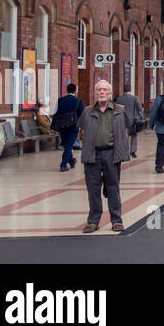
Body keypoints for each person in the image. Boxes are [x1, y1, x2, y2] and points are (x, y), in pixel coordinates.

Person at [78, 79, 132, 233]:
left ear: (110, 93)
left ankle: (116, 220)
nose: (102, 92)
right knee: (93, 188)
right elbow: (82, 127)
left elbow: (127, 127)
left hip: (111, 153)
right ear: (95, 93)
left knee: (113, 187)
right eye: (99, 90)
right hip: (92, 153)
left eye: (105, 90)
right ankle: (93, 221)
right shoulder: (87, 111)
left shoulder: (120, 110)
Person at [51, 83, 84, 172]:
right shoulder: (78, 101)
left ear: (67, 90)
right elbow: (82, 115)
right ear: (75, 91)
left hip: (62, 126)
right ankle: (63, 164)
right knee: (69, 146)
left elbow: (56, 113)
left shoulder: (60, 100)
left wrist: (54, 126)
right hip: (73, 126)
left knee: (67, 145)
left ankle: (72, 161)